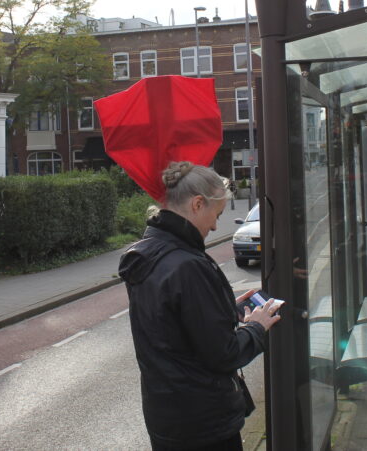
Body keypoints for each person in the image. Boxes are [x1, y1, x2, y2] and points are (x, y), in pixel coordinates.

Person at [119, 162, 282, 451]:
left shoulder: (147, 252)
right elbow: (224, 353)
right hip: (204, 422)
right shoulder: (188, 265)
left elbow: (172, 324)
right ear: (197, 204)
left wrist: (224, 309)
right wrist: (258, 327)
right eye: (216, 215)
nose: (216, 226)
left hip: (166, 416)